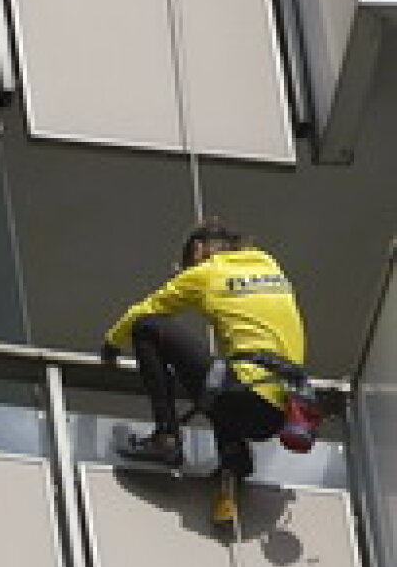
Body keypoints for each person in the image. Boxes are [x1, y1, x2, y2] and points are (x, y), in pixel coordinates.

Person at [100, 217, 308, 513]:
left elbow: (149, 308)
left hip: (242, 394)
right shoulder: (270, 266)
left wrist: (111, 342)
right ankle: (234, 461)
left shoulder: (208, 272)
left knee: (146, 327)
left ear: (199, 250)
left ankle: (166, 436)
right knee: (226, 374)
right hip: (280, 414)